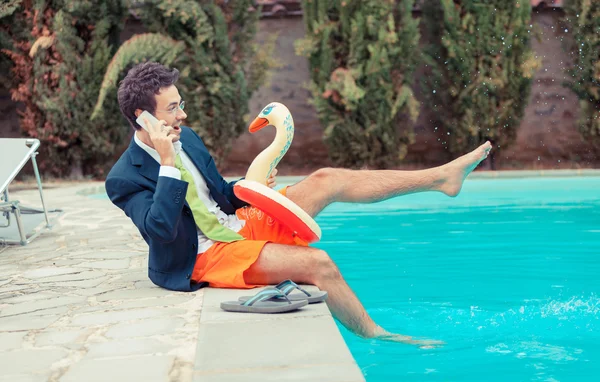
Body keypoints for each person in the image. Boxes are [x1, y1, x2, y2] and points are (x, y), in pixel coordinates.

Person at [106, 62, 492, 347]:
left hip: (237, 225)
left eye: (181, 103)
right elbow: (160, 230)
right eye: (172, 109)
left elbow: (220, 195)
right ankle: (378, 334)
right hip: (205, 255)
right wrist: (168, 165)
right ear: (143, 118)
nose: (183, 115)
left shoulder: (186, 138)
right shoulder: (125, 177)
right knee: (318, 264)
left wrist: (252, 188)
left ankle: (441, 178)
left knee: (327, 178)